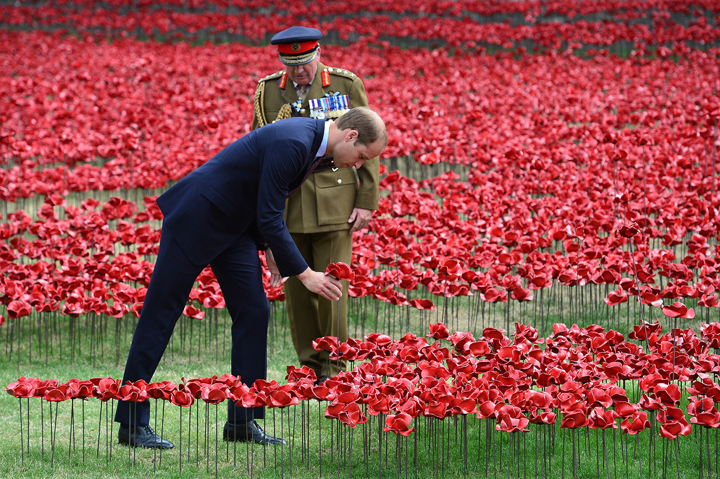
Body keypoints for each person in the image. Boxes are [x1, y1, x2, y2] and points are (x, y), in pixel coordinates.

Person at [114, 107, 387, 448]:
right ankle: (131, 424)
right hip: (198, 217)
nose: (358, 164)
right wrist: (304, 273)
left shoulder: (314, 145)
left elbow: (265, 198)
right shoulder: (294, 141)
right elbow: (270, 213)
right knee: (161, 312)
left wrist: (269, 248)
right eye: (361, 155)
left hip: (235, 228)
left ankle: (243, 420)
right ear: (350, 136)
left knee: (255, 311)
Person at [253, 26, 380, 382]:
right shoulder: (267, 91)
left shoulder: (345, 84)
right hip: (289, 205)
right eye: (291, 64)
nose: (299, 71)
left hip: (335, 202)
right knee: (296, 287)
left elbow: (366, 141)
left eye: (305, 62)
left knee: (333, 286)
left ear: (319, 53)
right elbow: (260, 150)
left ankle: (336, 366)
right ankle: (310, 364)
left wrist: (367, 198)